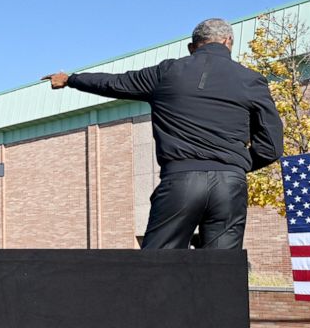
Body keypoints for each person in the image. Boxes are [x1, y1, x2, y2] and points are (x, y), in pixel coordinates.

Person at [43, 18, 284, 249]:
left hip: (181, 180)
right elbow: (271, 146)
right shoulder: (252, 80)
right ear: (228, 42)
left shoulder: (166, 73)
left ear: (192, 47)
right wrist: (234, 165)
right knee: (221, 271)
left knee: (158, 268)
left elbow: (114, 83)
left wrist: (71, 79)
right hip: (230, 186)